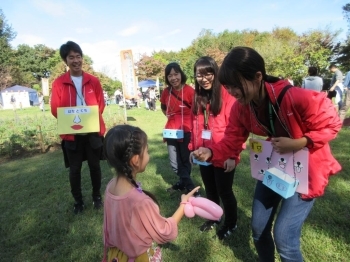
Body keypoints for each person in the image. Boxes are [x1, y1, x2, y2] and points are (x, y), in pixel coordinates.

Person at [192, 46, 342, 262]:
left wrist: (300, 142)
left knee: (285, 238)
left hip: (306, 172)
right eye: (228, 86)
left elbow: (331, 123)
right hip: (276, 168)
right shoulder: (242, 108)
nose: (232, 92)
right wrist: (211, 151)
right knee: (258, 228)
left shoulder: (295, 97)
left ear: (258, 76)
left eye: (236, 85)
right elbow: (232, 139)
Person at [102, 125, 200, 262]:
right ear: (136, 160)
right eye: (147, 151)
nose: (148, 155)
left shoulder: (110, 186)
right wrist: (183, 205)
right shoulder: (140, 202)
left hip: (116, 256)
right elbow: (164, 231)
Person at [50, 41, 106, 214]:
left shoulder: (93, 81)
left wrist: (88, 120)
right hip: (71, 134)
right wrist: (73, 122)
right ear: (65, 61)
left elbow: (100, 104)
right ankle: (78, 201)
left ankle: (97, 196)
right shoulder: (59, 83)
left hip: (92, 133)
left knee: (94, 166)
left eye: (78, 56)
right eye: (71, 57)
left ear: (82, 58)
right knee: (74, 170)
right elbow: (55, 108)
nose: (76, 60)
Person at [188, 56, 238, 240]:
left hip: (224, 153)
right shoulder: (198, 96)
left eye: (208, 73)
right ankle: (214, 217)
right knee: (210, 189)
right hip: (203, 153)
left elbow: (235, 129)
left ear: (215, 73)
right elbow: (195, 125)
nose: (204, 78)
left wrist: (233, 155)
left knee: (225, 191)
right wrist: (193, 148)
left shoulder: (227, 95)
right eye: (199, 75)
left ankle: (231, 223)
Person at [160, 62, 199, 196]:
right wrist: (172, 118)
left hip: (187, 129)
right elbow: (163, 107)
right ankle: (189, 186)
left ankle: (187, 187)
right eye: (170, 75)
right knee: (174, 163)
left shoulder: (190, 91)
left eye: (176, 74)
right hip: (171, 130)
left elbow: (197, 110)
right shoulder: (166, 92)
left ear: (181, 74)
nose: (173, 78)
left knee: (185, 160)